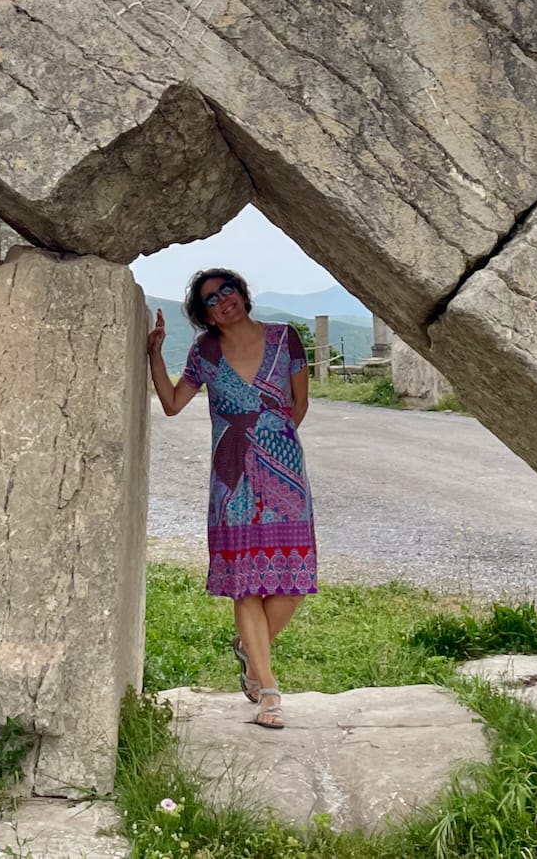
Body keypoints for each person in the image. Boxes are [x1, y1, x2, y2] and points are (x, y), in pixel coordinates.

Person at [147, 267, 318, 731]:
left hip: (284, 470)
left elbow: (298, 405)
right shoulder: (204, 352)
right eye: (211, 299)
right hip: (232, 480)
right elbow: (172, 402)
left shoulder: (286, 339)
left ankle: (247, 649)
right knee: (246, 583)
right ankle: (268, 691)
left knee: (291, 580)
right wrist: (155, 356)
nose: (224, 300)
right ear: (205, 316)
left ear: (243, 294)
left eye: (229, 290)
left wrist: (272, 445)